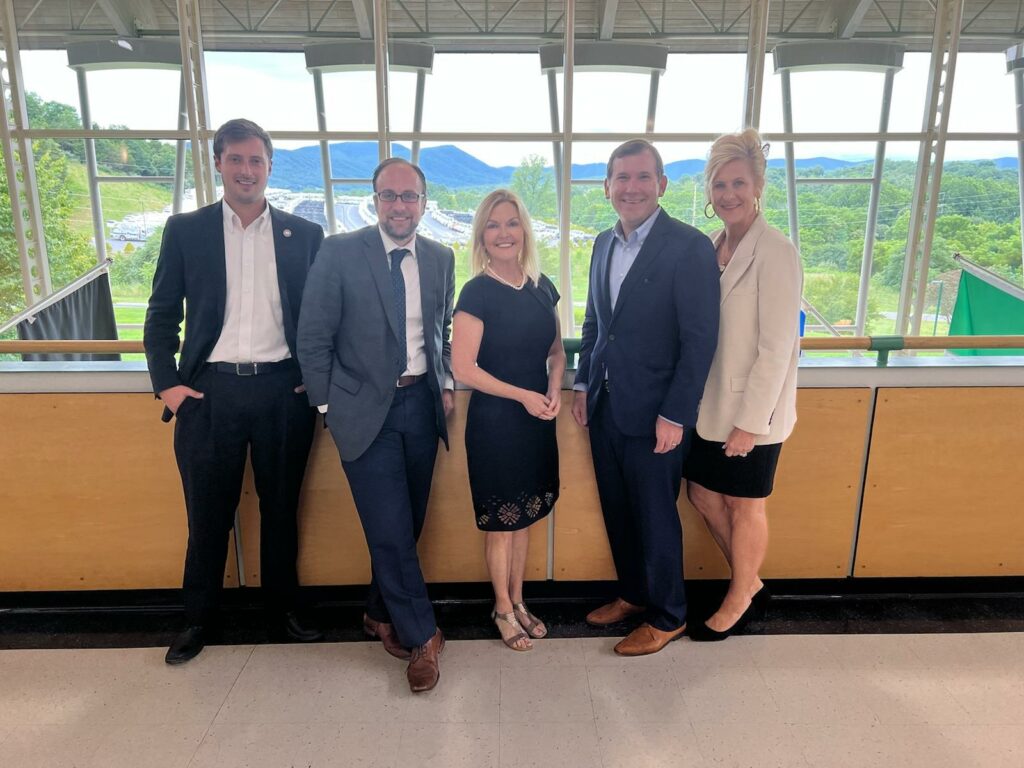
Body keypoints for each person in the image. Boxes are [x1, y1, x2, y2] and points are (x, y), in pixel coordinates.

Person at [144, 118, 325, 665]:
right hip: (208, 395)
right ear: (219, 163)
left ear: (270, 167)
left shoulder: (304, 235)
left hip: (282, 392)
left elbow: (319, 319)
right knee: (208, 514)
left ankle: (282, 610)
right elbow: (160, 315)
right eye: (237, 160)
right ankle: (197, 619)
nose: (247, 170)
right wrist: (168, 385)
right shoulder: (186, 230)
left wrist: (311, 382)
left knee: (281, 510)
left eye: (257, 161)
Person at [296, 157, 455, 692]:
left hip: (420, 405)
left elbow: (441, 331)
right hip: (362, 413)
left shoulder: (440, 257)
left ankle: (376, 612)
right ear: (375, 200)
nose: (399, 206)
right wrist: (326, 406)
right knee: (388, 528)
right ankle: (423, 637)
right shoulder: (341, 252)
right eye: (389, 195)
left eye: (409, 196)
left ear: (423, 203)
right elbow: (313, 337)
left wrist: (447, 380)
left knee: (404, 526)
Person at [571, 139, 720, 656]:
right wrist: (583, 383)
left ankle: (669, 614)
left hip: (658, 413)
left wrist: (676, 414)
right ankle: (634, 594)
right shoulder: (602, 243)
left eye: (641, 177)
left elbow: (699, 341)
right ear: (607, 186)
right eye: (621, 177)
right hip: (606, 406)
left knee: (656, 515)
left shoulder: (689, 246)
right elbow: (595, 323)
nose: (630, 187)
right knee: (618, 508)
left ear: (661, 184)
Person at [684, 129, 803, 641]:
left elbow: (778, 348)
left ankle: (737, 599)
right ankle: (749, 579)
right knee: (701, 493)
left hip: (755, 410)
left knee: (745, 504)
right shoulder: (711, 246)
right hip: (710, 402)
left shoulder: (776, 251)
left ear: (757, 186)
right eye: (718, 184)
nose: (727, 193)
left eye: (738, 183)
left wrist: (751, 424)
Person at [451, 189, 564, 652]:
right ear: (482, 234)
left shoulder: (543, 287)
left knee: (526, 518)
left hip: (538, 418)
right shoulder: (476, 291)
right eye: (493, 225)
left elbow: (556, 352)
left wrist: (554, 388)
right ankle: (500, 606)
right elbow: (464, 368)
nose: (503, 233)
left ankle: (519, 599)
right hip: (498, 422)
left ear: (524, 232)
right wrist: (523, 395)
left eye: (511, 223)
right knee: (502, 522)